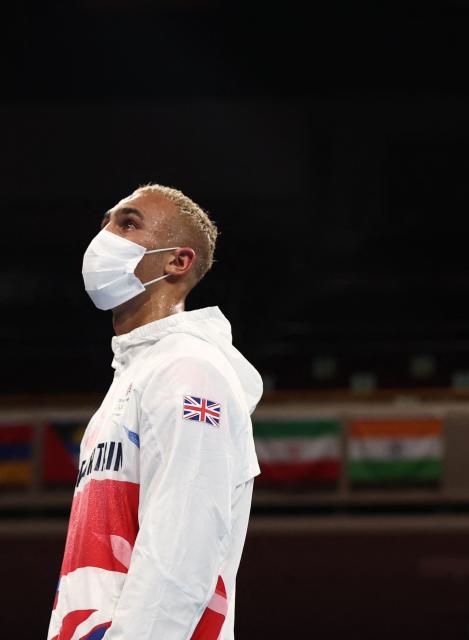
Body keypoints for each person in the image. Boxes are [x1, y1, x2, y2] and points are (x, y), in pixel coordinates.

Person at [48, 185, 262, 640]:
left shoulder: (188, 371)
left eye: (127, 223)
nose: (105, 235)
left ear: (178, 261)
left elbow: (183, 547)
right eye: (105, 222)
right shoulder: (134, 376)